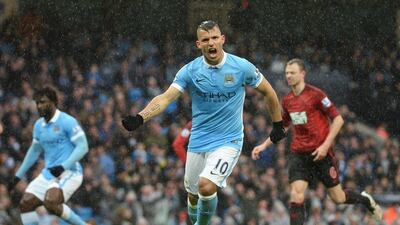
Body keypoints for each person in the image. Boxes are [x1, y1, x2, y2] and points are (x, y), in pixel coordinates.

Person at [121, 20, 286, 225]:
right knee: (193, 195)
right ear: (198, 44)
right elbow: (166, 97)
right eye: (206, 39)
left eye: (215, 38)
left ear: (222, 39)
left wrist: (277, 124)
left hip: (229, 140)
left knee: (206, 186)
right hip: (198, 140)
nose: (211, 43)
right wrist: (140, 117)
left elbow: (269, 92)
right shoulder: (190, 71)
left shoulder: (241, 67)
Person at [251, 58, 383, 225]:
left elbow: (338, 120)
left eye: (292, 72)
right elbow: (282, 128)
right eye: (286, 73)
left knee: (338, 197)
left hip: (321, 153)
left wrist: (325, 146)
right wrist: (263, 145)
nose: (289, 76)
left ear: (302, 74)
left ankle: (365, 200)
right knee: (296, 194)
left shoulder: (316, 95)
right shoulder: (287, 101)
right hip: (299, 154)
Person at [8, 87, 90, 225]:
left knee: (51, 202)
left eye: (43, 102)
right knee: (26, 203)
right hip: (49, 173)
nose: (39, 106)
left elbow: (83, 147)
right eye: (37, 103)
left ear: (54, 102)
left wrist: (63, 166)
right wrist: (18, 176)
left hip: (70, 172)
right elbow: (34, 151)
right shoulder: (38, 126)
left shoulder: (67, 121)